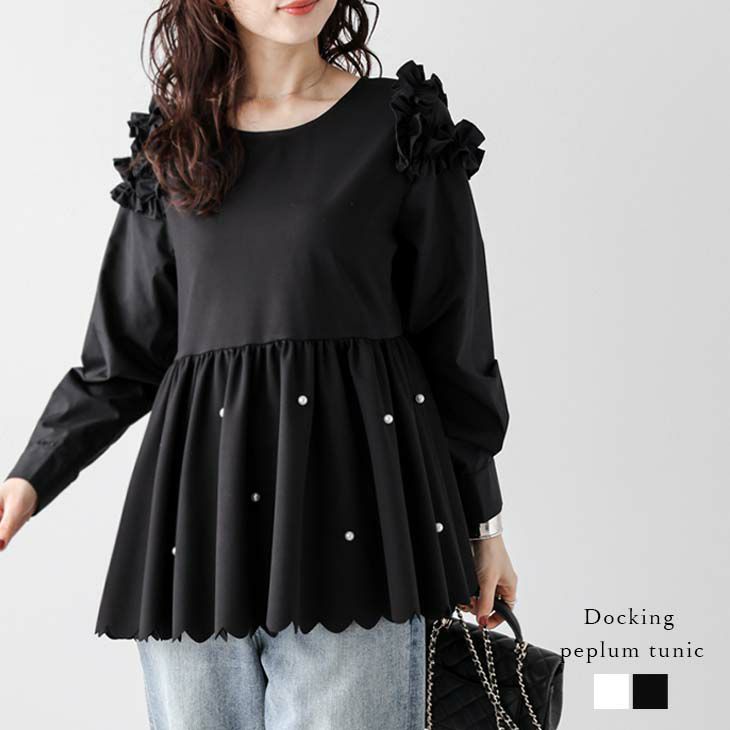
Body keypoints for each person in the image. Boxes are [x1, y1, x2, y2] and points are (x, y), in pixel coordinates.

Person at [0, 1, 518, 727]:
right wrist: (29, 476)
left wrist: (482, 524)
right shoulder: (175, 143)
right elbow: (121, 357)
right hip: (196, 533)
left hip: (360, 523)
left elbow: (455, 348)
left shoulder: (399, 127)